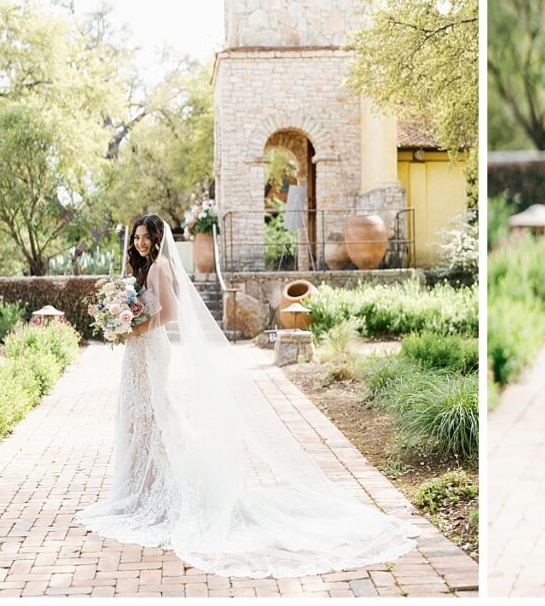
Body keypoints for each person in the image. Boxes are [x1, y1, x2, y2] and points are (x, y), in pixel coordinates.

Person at [74, 215, 418, 578]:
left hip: (148, 348)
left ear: (159, 238)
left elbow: (171, 313)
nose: (141, 242)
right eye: (138, 237)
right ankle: (143, 487)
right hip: (139, 350)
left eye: (147, 237)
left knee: (154, 415)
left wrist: (133, 326)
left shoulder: (159, 268)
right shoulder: (145, 268)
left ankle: (159, 489)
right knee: (143, 417)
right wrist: (124, 321)